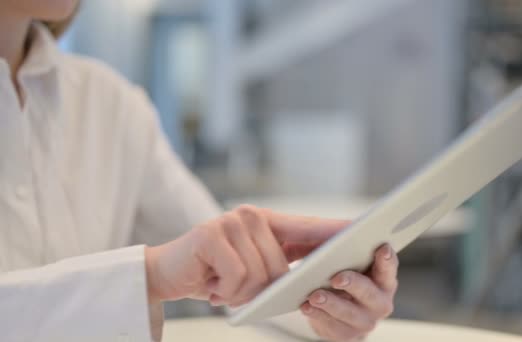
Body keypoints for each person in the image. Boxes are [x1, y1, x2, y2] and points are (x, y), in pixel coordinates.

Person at [0, 1, 399, 341]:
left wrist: (327, 299)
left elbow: (225, 263)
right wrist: (151, 275)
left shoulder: (110, 102)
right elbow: (172, 266)